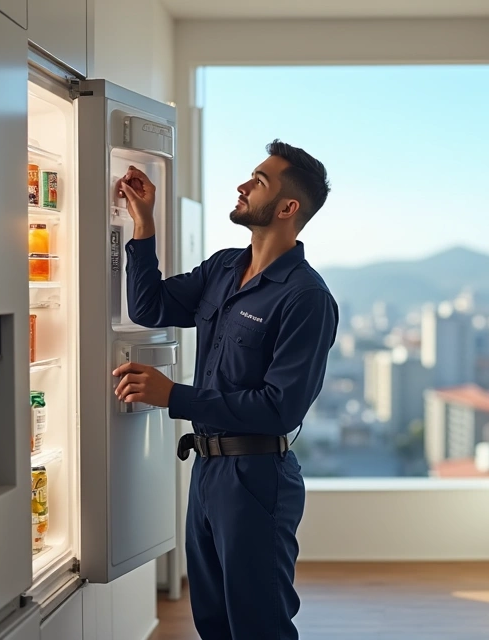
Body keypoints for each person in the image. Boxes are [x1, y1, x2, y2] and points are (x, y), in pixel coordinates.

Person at [111, 140, 338, 640]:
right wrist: (143, 225)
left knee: (258, 626)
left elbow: (280, 409)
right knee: (212, 622)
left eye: (258, 179)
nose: (241, 185)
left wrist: (175, 395)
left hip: (257, 479)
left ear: (286, 207)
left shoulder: (307, 298)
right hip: (208, 472)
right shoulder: (222, 268)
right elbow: (149, 308)